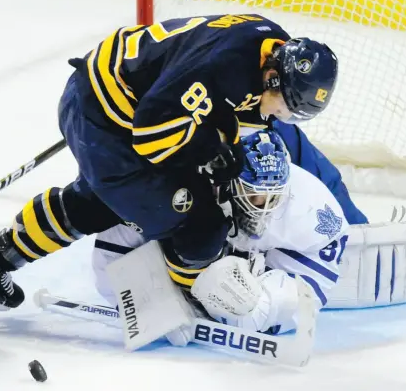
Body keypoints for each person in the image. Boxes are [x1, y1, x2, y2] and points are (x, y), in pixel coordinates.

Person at [0, 14, 339, 310]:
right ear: (272, 77)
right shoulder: (226, 65)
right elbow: (152, 133)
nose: (282, 118)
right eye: (288, 109)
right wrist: (210, 147)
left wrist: (219, 146)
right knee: (200, 223)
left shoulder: (268, 51)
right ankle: (191, 299)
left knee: (119, 201)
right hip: (107, 115)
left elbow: (219, 105)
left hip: (126, 102)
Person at [92, 129, 350, 338]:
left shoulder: (310, 203)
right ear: (228, 179)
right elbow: (113, 251)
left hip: (262, 260)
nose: (261, 205)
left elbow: (312, 287)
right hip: (186, 233)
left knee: (263, 300)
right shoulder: (178, 187)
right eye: (252, 193)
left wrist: (264, 307)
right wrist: (146, 306)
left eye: (272, 196)